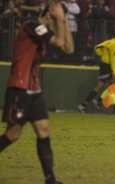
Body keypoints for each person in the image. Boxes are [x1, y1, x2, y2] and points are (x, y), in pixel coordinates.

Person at [0, 1, 74, 184]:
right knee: (13, 134)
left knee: (43, 130)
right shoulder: (32, 25)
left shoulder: (44, 30)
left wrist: (63, 22)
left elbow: (69, 48)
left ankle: (50, 178)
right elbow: (59, 41)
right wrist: (60, 20)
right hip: (20, 88)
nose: (58, 21)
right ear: (49, 13)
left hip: (34, 91)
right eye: (57, 17)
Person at [77, 29, 115, 113]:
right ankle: (89, 104)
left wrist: (102, 55)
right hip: (107, 67)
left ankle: (99, 104)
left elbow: (97, 47)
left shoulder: (109, 42)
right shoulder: (114, 44)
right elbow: (113, 62)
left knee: (112, 87)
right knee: (106, 86)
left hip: (104, 65)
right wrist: (114, 75)